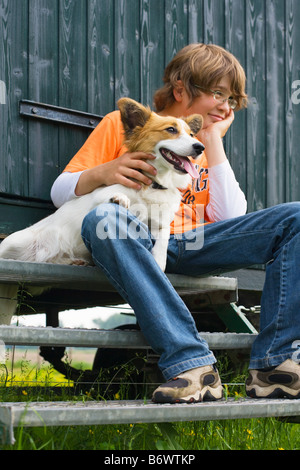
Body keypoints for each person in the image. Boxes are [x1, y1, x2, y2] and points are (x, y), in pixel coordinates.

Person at [51, 43, 300, 403]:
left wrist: (212, 139)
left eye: (231, 100)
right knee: (103, 217)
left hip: (194, 243)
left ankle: (274, 367)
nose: (226, 107)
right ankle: (191, 364)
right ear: (181, 89)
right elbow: (60, 191)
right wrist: (102, 173)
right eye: (218, 93)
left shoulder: (196, 146)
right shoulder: (125, 126)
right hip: (138, 237)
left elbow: (232, 218)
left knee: (295, 216)